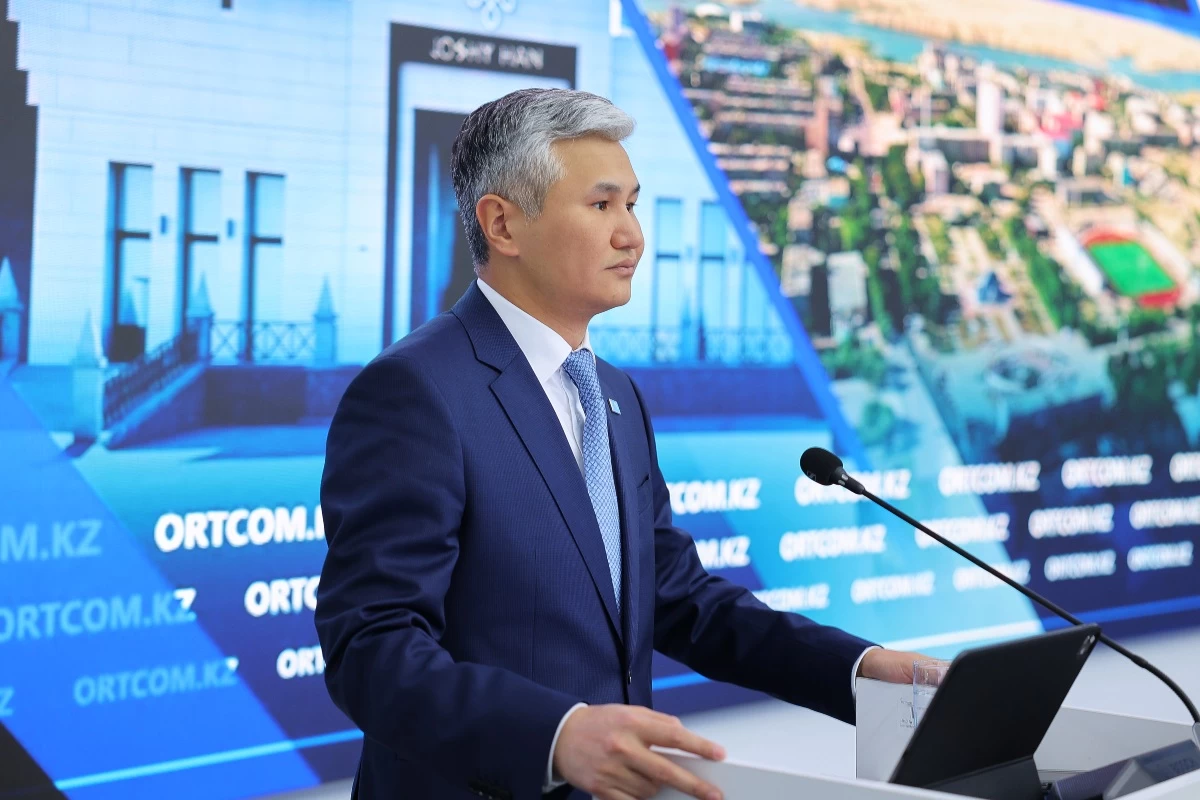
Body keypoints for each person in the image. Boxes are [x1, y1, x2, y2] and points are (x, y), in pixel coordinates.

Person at [315, 88, 925, 800]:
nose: (632, 235)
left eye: (632, 205)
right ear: (502, 224)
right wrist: (553, 736)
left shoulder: (614, 393)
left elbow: (675, 596)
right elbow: (372, 647)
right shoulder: (415, 391)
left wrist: (859, 672)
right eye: (602, 205)